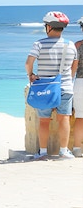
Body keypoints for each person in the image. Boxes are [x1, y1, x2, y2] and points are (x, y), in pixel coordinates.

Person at [25, 11, 77, 159]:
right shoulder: (71, 45)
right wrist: (68, 79)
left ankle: (42, 152)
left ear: (49, 27)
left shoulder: (39, 44)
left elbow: (28, 63)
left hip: (45, 88)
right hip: (65, 87)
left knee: (43, 121)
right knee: (64, 119)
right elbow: (74, 66)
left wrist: (31, 75)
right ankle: (63, 151)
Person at [75, 17, 83, 157]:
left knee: (80, 117)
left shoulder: (77, 45)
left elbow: (72, 67)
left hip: (80, 82)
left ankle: (76, 149)